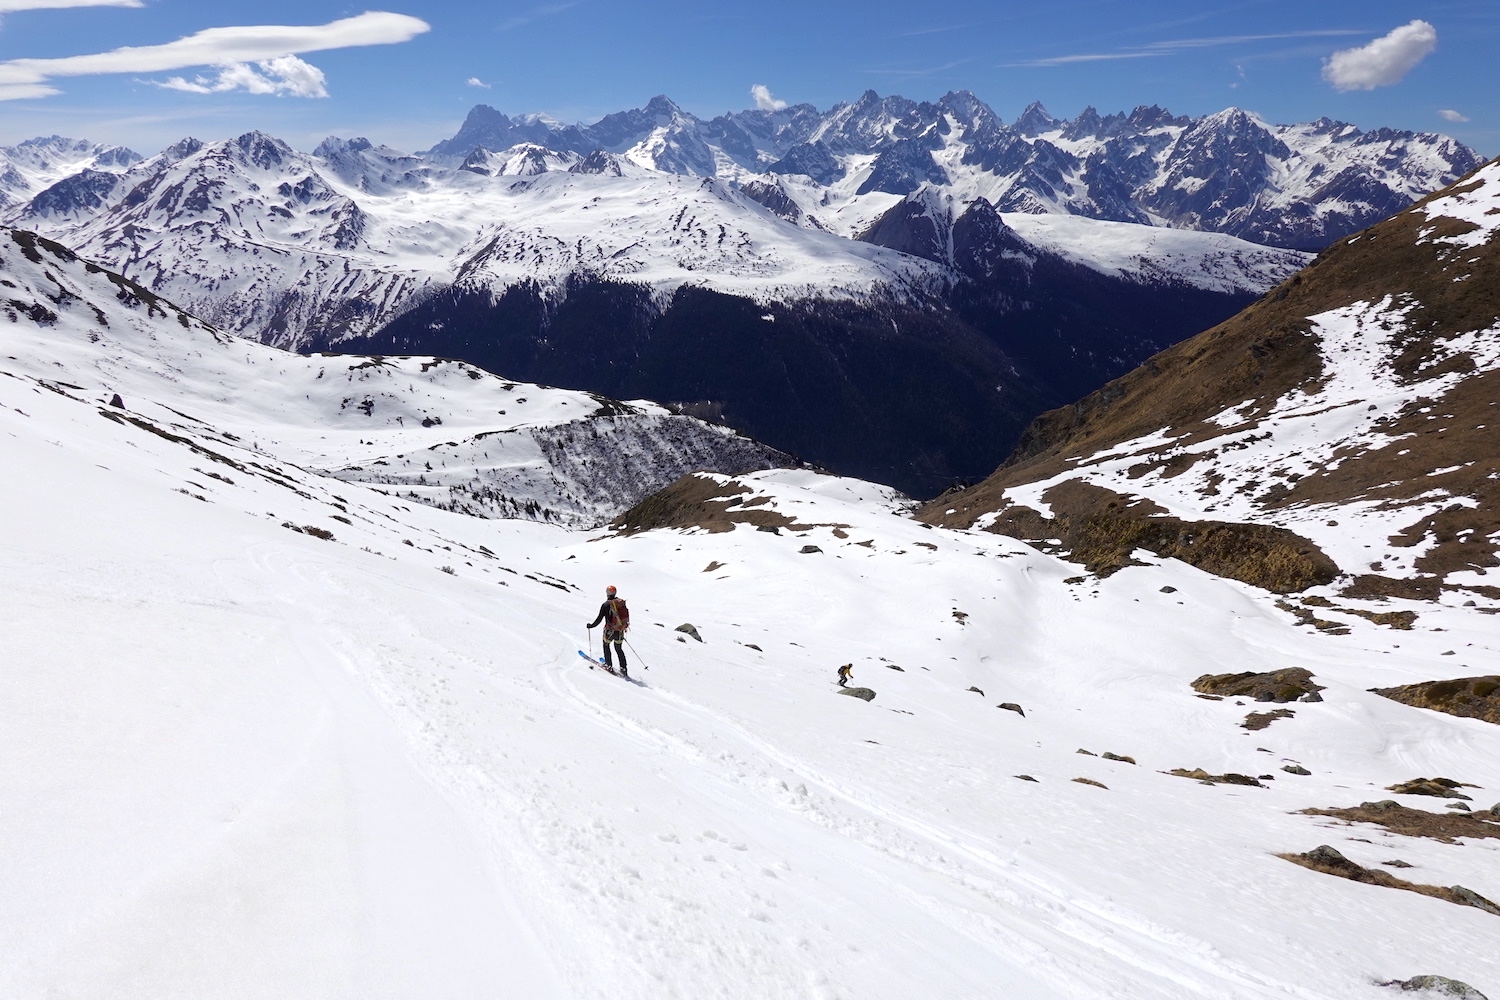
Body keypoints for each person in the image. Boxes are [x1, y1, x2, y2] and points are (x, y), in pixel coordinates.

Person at [586, 585, 630, 677]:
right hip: (620, 631)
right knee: (618, 649)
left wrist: (591, 626)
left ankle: (608, 665)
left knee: (606, 645)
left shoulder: (606, 605)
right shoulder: (620, 603)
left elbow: (599, 619)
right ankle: (623, 668)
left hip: (610, 631)